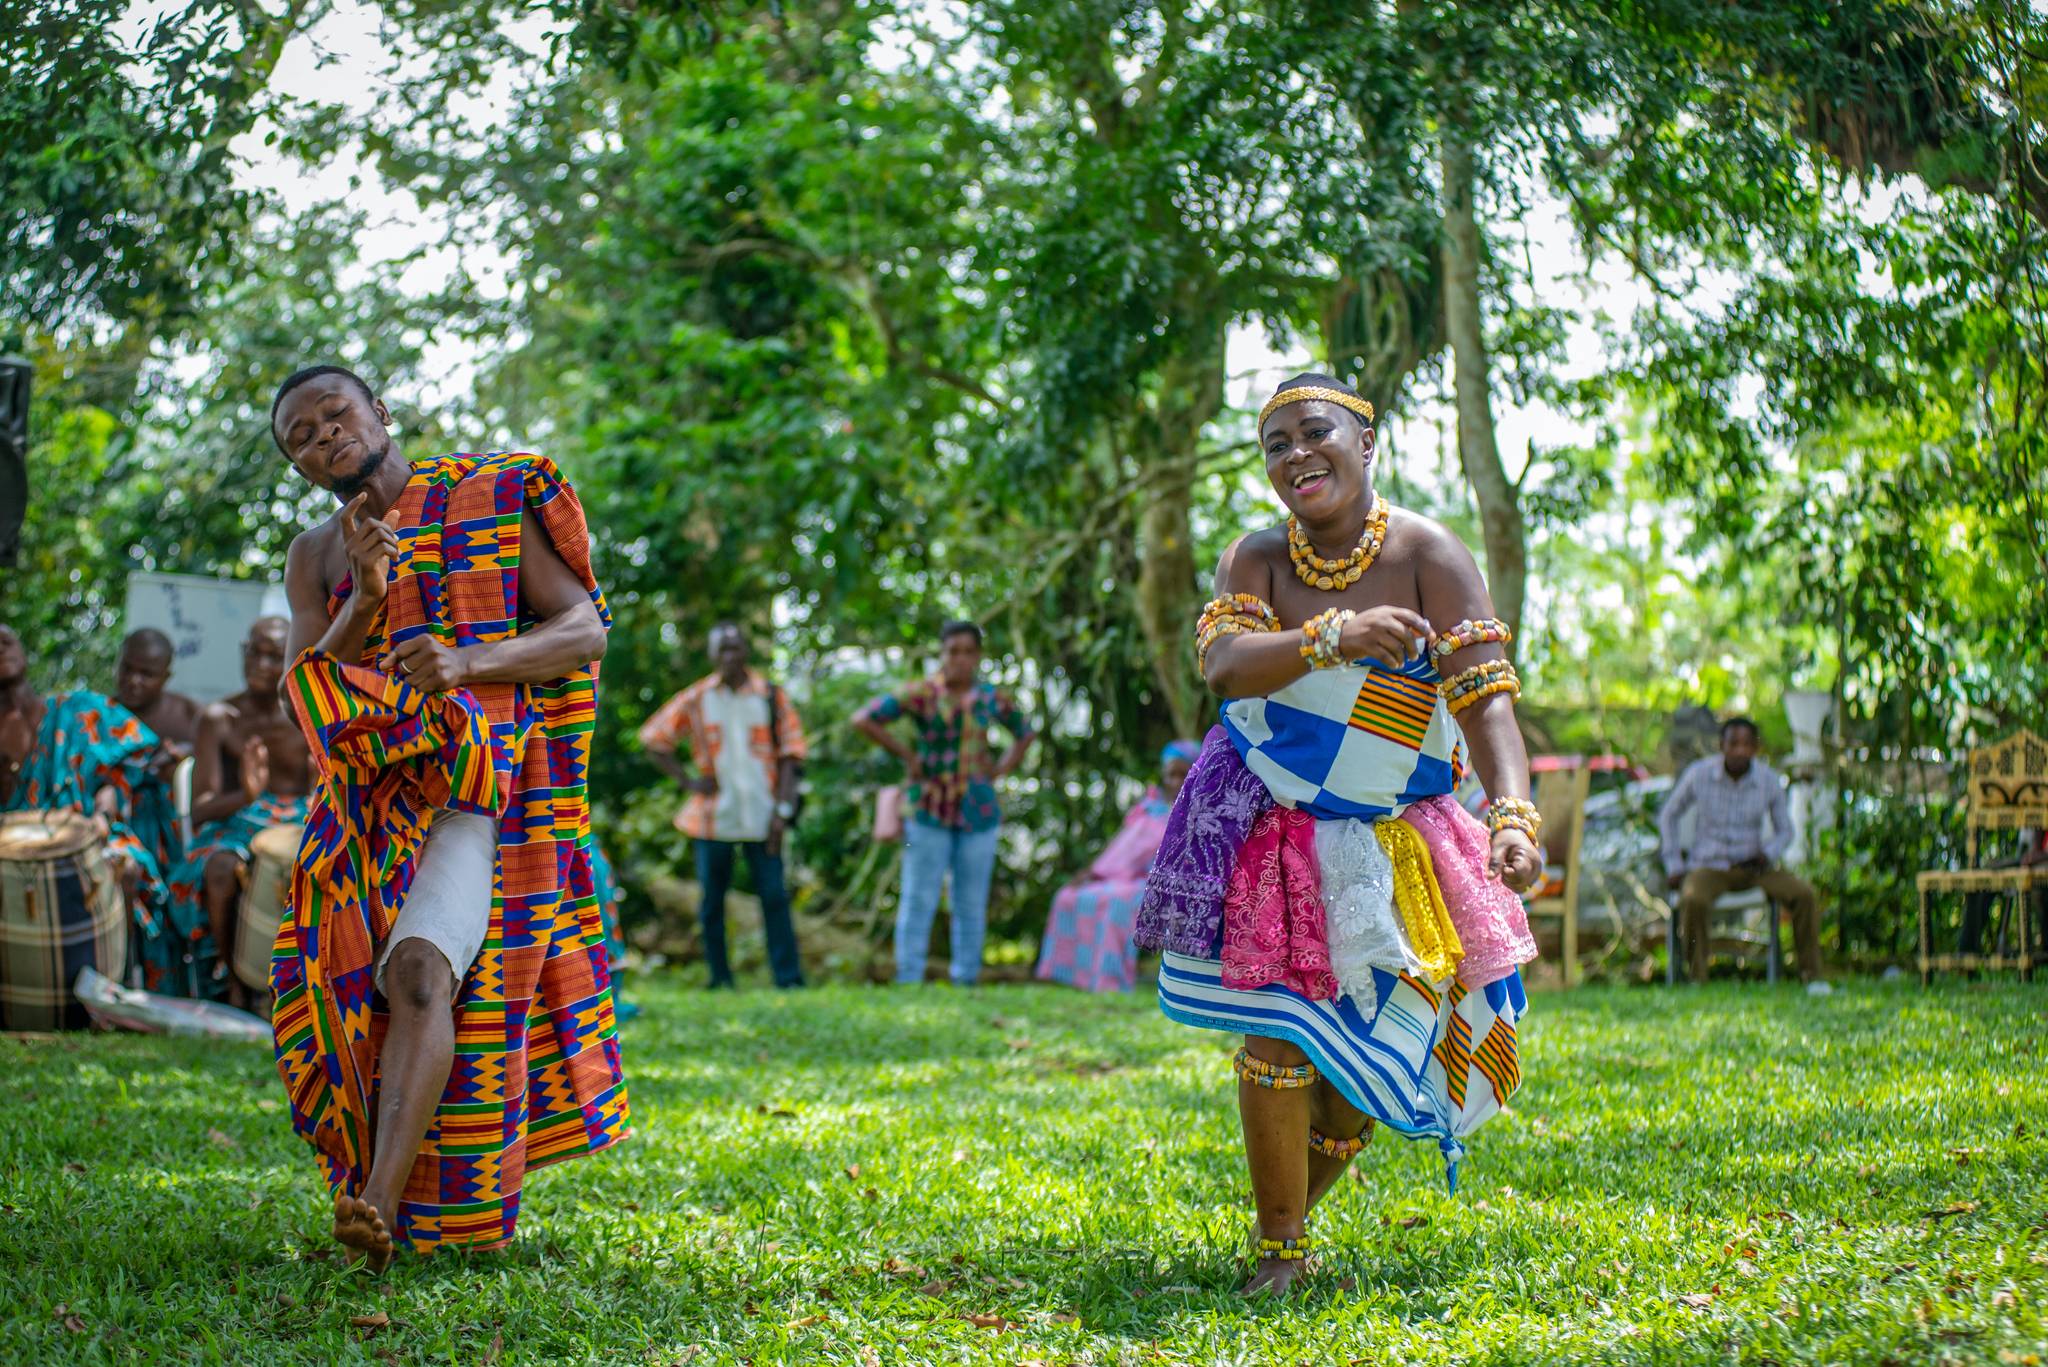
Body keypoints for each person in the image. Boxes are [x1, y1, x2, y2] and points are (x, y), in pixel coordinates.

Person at [1134, 374, 1542, 1297]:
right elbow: (1225, 665)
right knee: (1279, 1035)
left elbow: (1485, 699)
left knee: (1365, 1064)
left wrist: (1512, 813)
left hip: (1398, 838)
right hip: (1272, 824)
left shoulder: (1431, 553)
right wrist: (1332, 638)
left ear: (1368, 442)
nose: (1294, 456)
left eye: (1313, 433)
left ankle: (1283, 1221)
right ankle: (1280, 1250)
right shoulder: (1256, 555)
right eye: (1274, 444)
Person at [272, 364, 626, 1270]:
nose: (325, 437)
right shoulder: (314, 555)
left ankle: (376, 1207)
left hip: (475, 791)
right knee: (345, 997)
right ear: (301, 467)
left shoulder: (489, 499)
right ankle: (380, 1192)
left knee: (422, 972)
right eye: (302, 437)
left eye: (335, 415)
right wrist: (363, 595)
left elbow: (583, 628)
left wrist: (469, 663)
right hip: (364, 808)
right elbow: (305, 693)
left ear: (379, 414)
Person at [855, 621, 1036, 986]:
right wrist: (907, 755)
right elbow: (865, 719)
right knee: (919, 897)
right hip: (929, 810)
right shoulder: (922, 694)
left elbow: (1025, 732)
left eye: (968, 652)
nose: (960, 660)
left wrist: (1000, 769)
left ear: (978, 656)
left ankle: (965, 979)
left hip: (978, 810)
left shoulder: (989, 698)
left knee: (969, 902)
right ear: (942, 653)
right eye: (953, 651)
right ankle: (909, 978)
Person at [637, 622, 807, 990]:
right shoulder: (698, 698)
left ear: (746, 650)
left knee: (775, 898)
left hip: (764, 815)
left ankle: (788, 978)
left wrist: (783, 812)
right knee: (712, 902)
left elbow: (792, 755)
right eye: (722, 650)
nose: (730, 656)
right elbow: (654, 737)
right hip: (715, 817)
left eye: (736, 648)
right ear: (713, 656)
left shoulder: (770, 696)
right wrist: (688, 781)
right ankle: (720, 978)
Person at [159, 617, 313, 1006]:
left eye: (275, 656)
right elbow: (199, 811)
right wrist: (247, 794)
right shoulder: (219, 718)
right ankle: (234, 980)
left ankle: (303, 985)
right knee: (221, 869)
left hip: (299, 823)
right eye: (256, 653)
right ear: (244, 653)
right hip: (236, 823)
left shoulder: (308, 711)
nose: (263, 664)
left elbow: (323, 785)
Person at [1, 622, 182, 944]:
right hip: (15, 847)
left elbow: (114, 774)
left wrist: (102, 815)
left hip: (86, 831)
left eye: (6, 639)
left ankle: (115, 981)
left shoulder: (79, 710)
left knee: (124, 867)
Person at [1659, 716, 1823, 985]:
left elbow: (1785, 830)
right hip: (1709, 866)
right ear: (1721, 745)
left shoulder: (1768, 780)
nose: (1739, 750)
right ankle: (1697, 977)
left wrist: (1768, 853)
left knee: (1803, 894)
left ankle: (1812, 977)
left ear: (1755, 748)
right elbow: (1668, 816)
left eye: (1746, 744)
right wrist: (1674, 864)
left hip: (1754, 867)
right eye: (1733, 743)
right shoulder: (1699, 774)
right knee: (1693, 900)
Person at [1035, 739, 1196, 993]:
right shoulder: (1147, 808)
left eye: (1182, 774)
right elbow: (1121, 846)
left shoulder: (1196, 810)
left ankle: (1110, 982)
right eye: (1170, 774)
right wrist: (1093, 872)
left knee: (1118, 902)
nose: (1175, 781)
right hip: (1121, 876)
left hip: (1164, 884)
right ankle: (1068, 975)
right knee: (1068, 896)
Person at [113, 628, 201, 771]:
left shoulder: (191, 717)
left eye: (146, 674)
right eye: (127, 668)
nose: (133, 680)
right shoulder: (97, 716)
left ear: (166, 677)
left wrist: (188, 755)